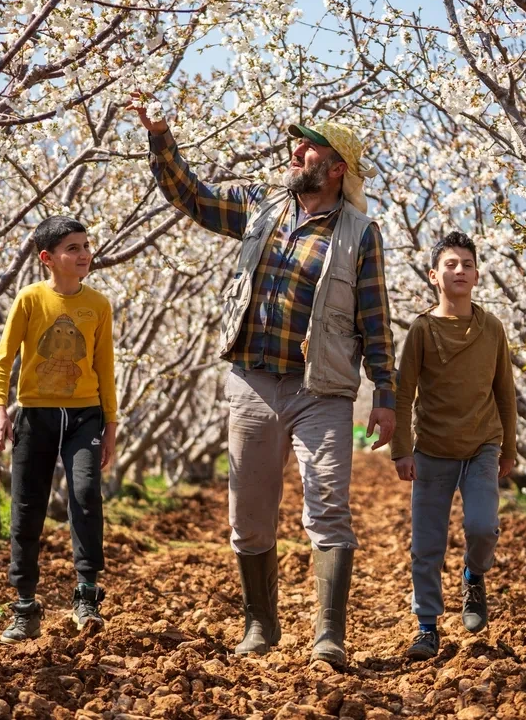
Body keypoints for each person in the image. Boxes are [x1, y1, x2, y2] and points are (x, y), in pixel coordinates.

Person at [130, 99, 396, 668]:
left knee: (328, 508)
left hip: (319, 388)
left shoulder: (359, 233)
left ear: (336, 168)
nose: (295, 152)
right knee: (248, 512)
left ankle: (329, 634)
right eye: (296, 145)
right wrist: (162, 138)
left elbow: (374, 317)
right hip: (251, 379)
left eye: (309, 148)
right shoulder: (260, 206)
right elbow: (194, 197)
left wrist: (387, 397)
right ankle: (261, 622)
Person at [0, 216, 119, 643]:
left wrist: (112, 423)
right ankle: (25, 605)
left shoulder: (98, 305)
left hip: (85, 415)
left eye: (86, 245)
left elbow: (105, 368)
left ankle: (87, 594)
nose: (84, 255)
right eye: (73, 249)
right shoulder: (29, 300)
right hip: (36, 415)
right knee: (27, 507)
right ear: (48, 259)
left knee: (84, 495)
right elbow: (3, 360)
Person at [390, 231, 517, 661]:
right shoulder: (422, 331)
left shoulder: (493, 329)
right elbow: (404, 392)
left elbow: (505, 393)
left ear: (478, 275)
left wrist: (510, 448)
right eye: (450, 264)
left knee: (482, 527)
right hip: (431, 450)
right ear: (433, 276)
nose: (459, 270)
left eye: (466, 264)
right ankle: (427, 626)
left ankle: (474, 576)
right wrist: (401, 450)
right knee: (427, 544)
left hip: (483, 445)